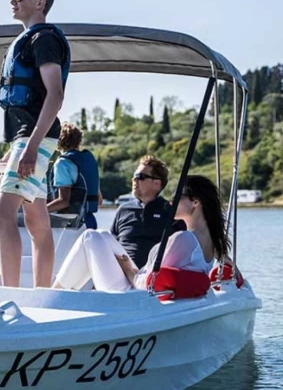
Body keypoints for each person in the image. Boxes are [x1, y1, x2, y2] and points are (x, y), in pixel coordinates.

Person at [0, 0, 71, 288]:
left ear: (40, 2)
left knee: (1, 215)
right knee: (38, 222)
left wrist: (32, 146)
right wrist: (16, 149)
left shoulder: (44, 40)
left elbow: (56, 94)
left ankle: (12, 298)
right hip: (28, 137)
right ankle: (41, 294)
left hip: (37, 137)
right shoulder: (30, 40)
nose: (13, 0)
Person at [52, 174, 229, 292]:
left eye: (177, 196)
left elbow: (150, 284)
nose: (170, 200)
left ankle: (53, 295)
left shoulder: (184, 239)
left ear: (195, 202)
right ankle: (58, 292)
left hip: (134, 299)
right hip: (141, 287)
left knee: (90, 237)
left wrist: (128, 270)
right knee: (103, 235)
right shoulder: (212, 242)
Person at [110, 155, 183, 269]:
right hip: (119, 273)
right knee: (93, 236)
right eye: (134, 176)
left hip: (149, 277)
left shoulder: (171, 212)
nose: (134, 179)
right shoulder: (123, 210)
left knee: (91, 236)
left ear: (156, 183)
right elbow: (112, 245)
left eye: (140, 176)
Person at [47, 122, 101, 228]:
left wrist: (39, 212)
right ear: (79, 140)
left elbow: (64, 201)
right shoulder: (89, 159)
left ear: (57, 141)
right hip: (90, 222)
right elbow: (99, 200)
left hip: (71, 224)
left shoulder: (63, 163)